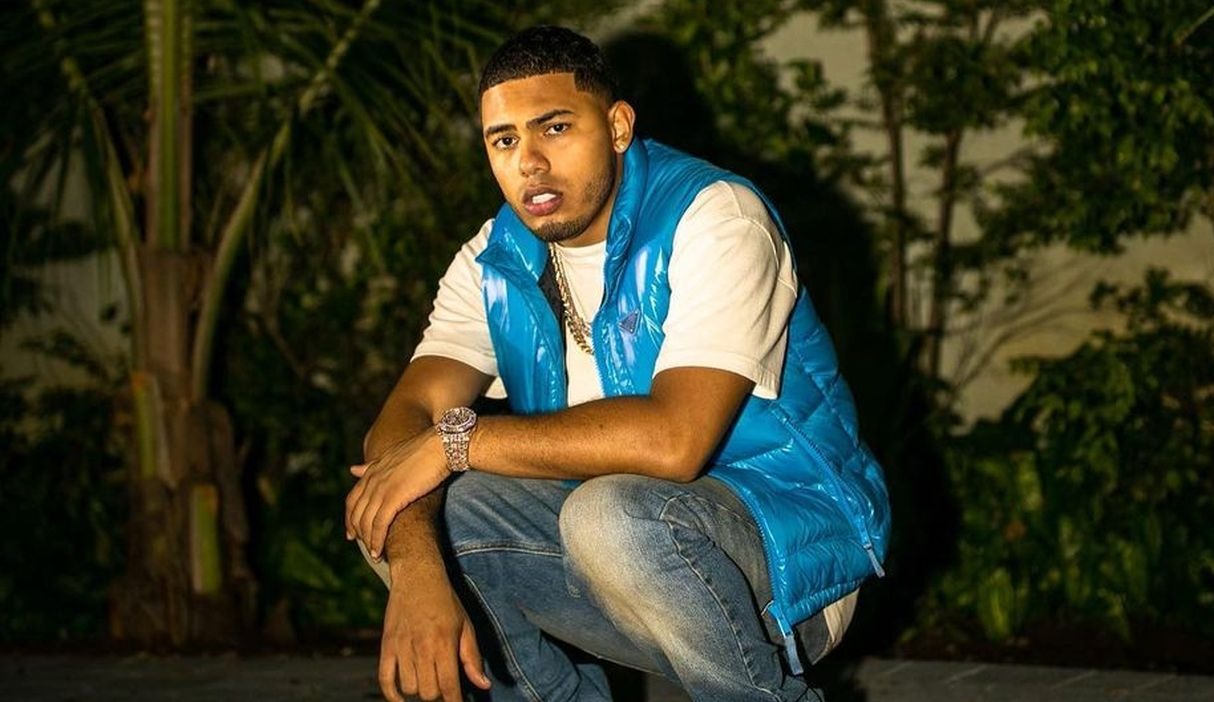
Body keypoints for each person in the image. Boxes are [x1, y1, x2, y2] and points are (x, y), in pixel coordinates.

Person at [344, 25, 891, 702]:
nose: (529, 163)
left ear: (618, 127)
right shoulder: (493, 261)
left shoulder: (716, 217)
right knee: (394, 506)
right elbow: (403, 420)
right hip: (609, 555)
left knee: (607, 516)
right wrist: (418, 569)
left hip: (783, 561)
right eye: (503, 140)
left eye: (555, 128)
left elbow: (674, 442)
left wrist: (456, 441)